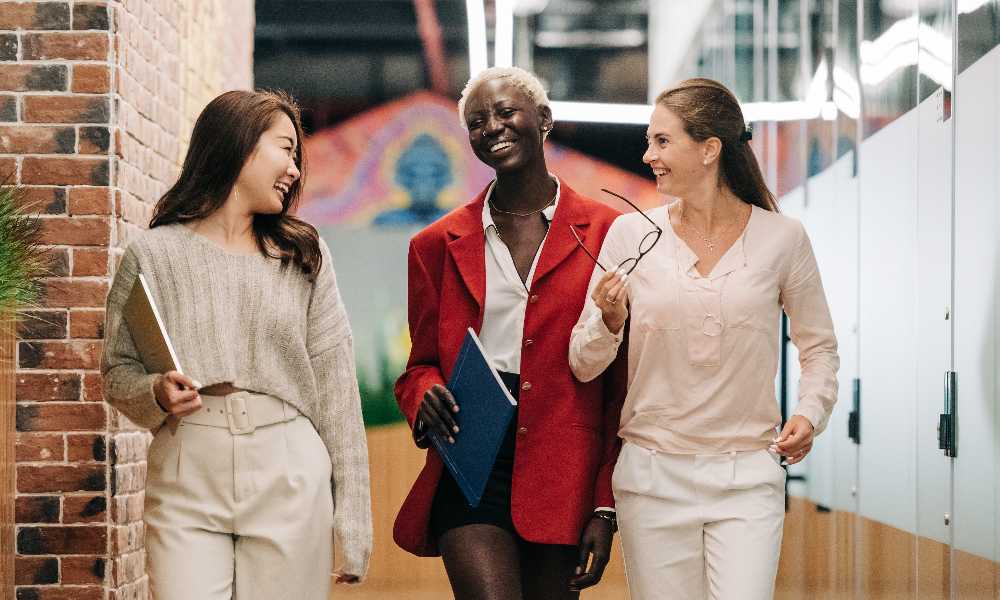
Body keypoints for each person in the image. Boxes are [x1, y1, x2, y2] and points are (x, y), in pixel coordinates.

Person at [569, 78, 839, 600]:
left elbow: (819, 346)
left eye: (662, 141)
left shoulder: (783, 238)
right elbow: (583, 363)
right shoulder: (630, 235)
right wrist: (607, 319)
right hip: (651, 478)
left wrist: (810, 413)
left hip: (748, 479)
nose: (648, 155)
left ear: (710, 149)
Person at [101, 90, 372, 600]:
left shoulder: (303, 255)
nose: (294, 169)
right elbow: (116, 372)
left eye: (297, 156)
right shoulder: (153, 255)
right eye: (285, 149)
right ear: (239, 145)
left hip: (289, 465)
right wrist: (156, 391)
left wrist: (354, 522)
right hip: (187, 467)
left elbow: (338, 392)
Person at [392, 66, 627, 600]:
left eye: (504, 112)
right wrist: (424, 392)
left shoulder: (609, 232)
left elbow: (621, 385)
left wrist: (605, 505)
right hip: (471, 454)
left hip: (564, 465)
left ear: (543, 119)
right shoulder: (435, 244)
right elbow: (419, 364)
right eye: (477, 122)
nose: (491, 127)